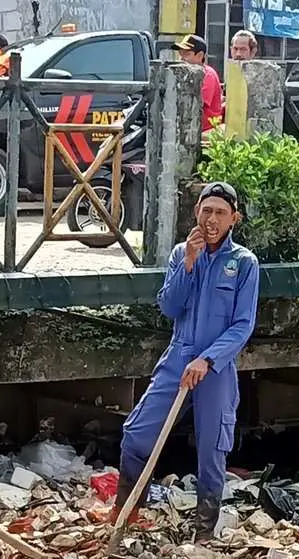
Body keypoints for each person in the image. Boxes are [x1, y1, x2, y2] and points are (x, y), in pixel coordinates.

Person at [96, 181, 258, 538]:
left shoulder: (244, 263)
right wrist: (188, 263)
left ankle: (203, 533)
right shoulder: (182, 253)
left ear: (234, 219)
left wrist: (208, 360)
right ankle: (125, 517)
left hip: (215, 367)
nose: (211, 219)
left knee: (212, 450)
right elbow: (169, 307)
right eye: (206, 211)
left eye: (220, 213)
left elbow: (243, 325)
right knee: (136, 435)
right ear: (195, 212)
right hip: (178, 358)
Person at [175, 34, 223, 131]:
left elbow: (196, 104)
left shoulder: (208, 75)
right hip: (190, 128)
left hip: (205, 131)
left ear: (200, 55)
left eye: (186, 54)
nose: (181, 58)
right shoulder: (185, 74)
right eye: (181, 54)